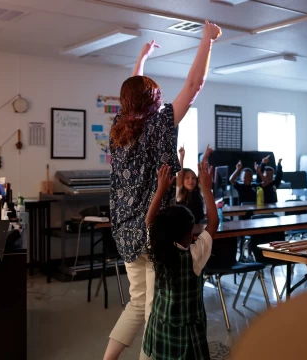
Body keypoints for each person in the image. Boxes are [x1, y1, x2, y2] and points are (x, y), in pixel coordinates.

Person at [105, 20, 222, 360]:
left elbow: (131, 93)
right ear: (154, 99)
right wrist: (207, 39)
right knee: (157, 307)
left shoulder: (118, 128)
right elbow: (195, 84)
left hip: (126, 232)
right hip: (156, 230)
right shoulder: (160, 123)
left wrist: (141, 59)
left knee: (139, 302)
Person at [143, 160, 218, 360]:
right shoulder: (194, 256)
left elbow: (150, 221)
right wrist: (207, 189)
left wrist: (160, 191)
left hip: (161, 328)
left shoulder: (157, 248)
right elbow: (213, 223)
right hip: (187, 337)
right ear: (187, 234)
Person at [176, 145, 207, 223]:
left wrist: (206, 155)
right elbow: (180, 174)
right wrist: (182, 157)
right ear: (182, 181)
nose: (191, 180)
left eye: (193, 178)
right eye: (187, 178)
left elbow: (201, 174)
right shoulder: (179, 192)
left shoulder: (198, 191)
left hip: (199, 226)